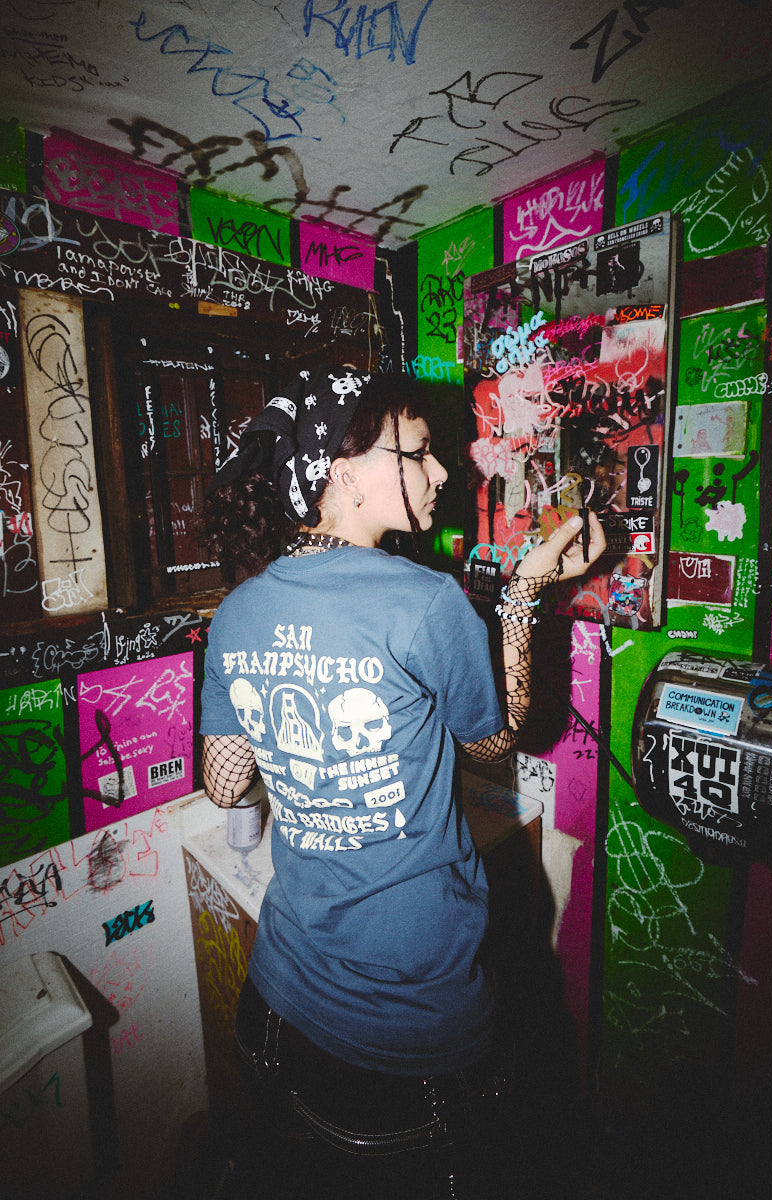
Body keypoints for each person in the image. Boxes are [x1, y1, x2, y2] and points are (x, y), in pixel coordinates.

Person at [199, 364, 605, 1199]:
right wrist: (528, 592)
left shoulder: (238, 610)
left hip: (274, 1005)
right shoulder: (424, 601)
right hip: (405, 1037)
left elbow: (224, 784)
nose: (442, 472)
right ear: (343, 474)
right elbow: (496, 745)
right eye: (418, 453)